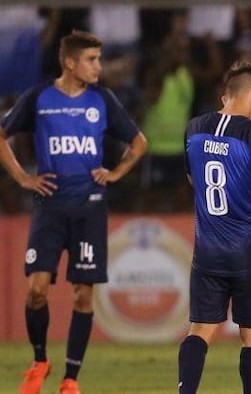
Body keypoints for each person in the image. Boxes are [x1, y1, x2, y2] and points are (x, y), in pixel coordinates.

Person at [0, 30, 147, 394]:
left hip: (89, 210)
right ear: (70, 62)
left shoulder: (102, 100)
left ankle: (70, 380)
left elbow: (138, 142)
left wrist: (115, 173)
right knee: (36, 291)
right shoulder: (39, 98)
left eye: (98, 58)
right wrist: (22, 177)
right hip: (49, 208)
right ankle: (39, 362)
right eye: (91, 59)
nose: (98, 66)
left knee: (83, 295)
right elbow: (1, 133)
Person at [178, 61, 251, 393]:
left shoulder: (195, 127)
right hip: (248, 252)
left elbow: (192, 179)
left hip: (207, 251)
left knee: (200, 331)